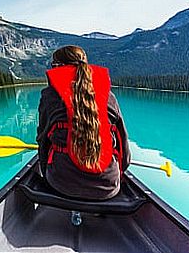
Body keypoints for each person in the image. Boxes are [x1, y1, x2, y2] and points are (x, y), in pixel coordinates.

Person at [36, 45, 131, 200]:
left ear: (59, 67)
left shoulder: (50, 96)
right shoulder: (109, 97)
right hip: (107, 187)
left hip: (61, 184)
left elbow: (43, 140)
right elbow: (123, 146)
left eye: (53, 65)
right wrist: (118, 173)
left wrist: (46, 172)